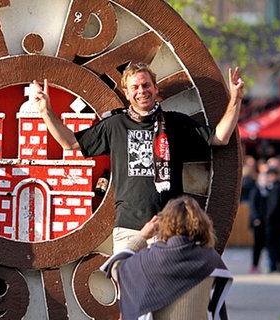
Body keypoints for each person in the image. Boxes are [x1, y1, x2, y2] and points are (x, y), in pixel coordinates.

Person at [31, 63, 244, 252]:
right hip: (129, 230)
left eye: (146, 85)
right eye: (135, 87)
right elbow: (70, 143)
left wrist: (236, 98)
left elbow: (219, 138)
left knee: (165, 295)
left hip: (169, 229)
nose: (141, 91)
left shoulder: (176, 123)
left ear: (155, 88)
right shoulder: (115, 125)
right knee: (129, 294)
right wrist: (45, 110)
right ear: (126, 93)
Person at [100, 195, 233, 319]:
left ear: (164, 224)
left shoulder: (151, 259)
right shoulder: (210, 260)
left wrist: (142, 237)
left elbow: (117, 267)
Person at [264, 167, 280, 272]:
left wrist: (268, 216)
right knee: (277, 245)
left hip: (274, 222)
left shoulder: (275, 188)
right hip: (277, 221)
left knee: (273, 244)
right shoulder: (276, 187)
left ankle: (275, 265)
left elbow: (273, 206)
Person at [248, 170, 267, 273]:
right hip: (258, 222)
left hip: (264, 222)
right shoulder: (255, 191)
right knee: (257, 245)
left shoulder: (266, 190)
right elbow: (253, 206)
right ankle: (254, 265)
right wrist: (256, 218)